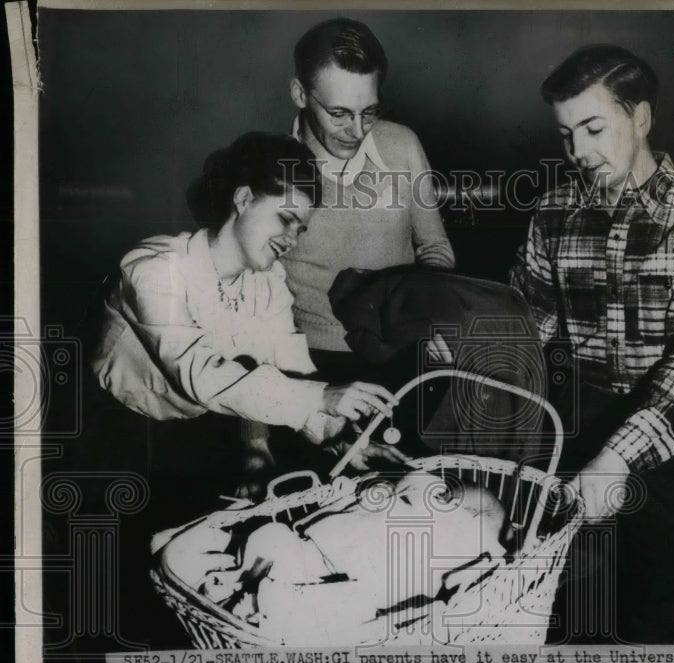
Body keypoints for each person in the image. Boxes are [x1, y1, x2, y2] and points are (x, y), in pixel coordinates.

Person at [509, 45, 674, 642]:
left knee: (662, 605)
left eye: (594, 128)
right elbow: (528, 326)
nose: (578, 152)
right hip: (580, 419)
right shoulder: (553, 212)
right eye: (566, 135)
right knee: (574, 603)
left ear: (641, 118)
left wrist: (616, 458)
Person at [92, 132, 403, 474]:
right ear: (243, 199)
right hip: (114, 431)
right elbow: (200, 374)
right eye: (286, 219)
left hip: (197, 422)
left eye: (300, 230)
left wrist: (339, 436)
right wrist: (321, 397)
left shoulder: (269, 283)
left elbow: (290, 366)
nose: (291, 240)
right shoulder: (154, 270)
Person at [282, 17, 455, 362]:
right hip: (308, 362)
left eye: (369, 112)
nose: (357, 130)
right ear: (300, 94)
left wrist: (428, 311)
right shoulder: (272, 169)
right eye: (339, 114)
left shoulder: (402, 144)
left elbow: (435, 246)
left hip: (401, 353)